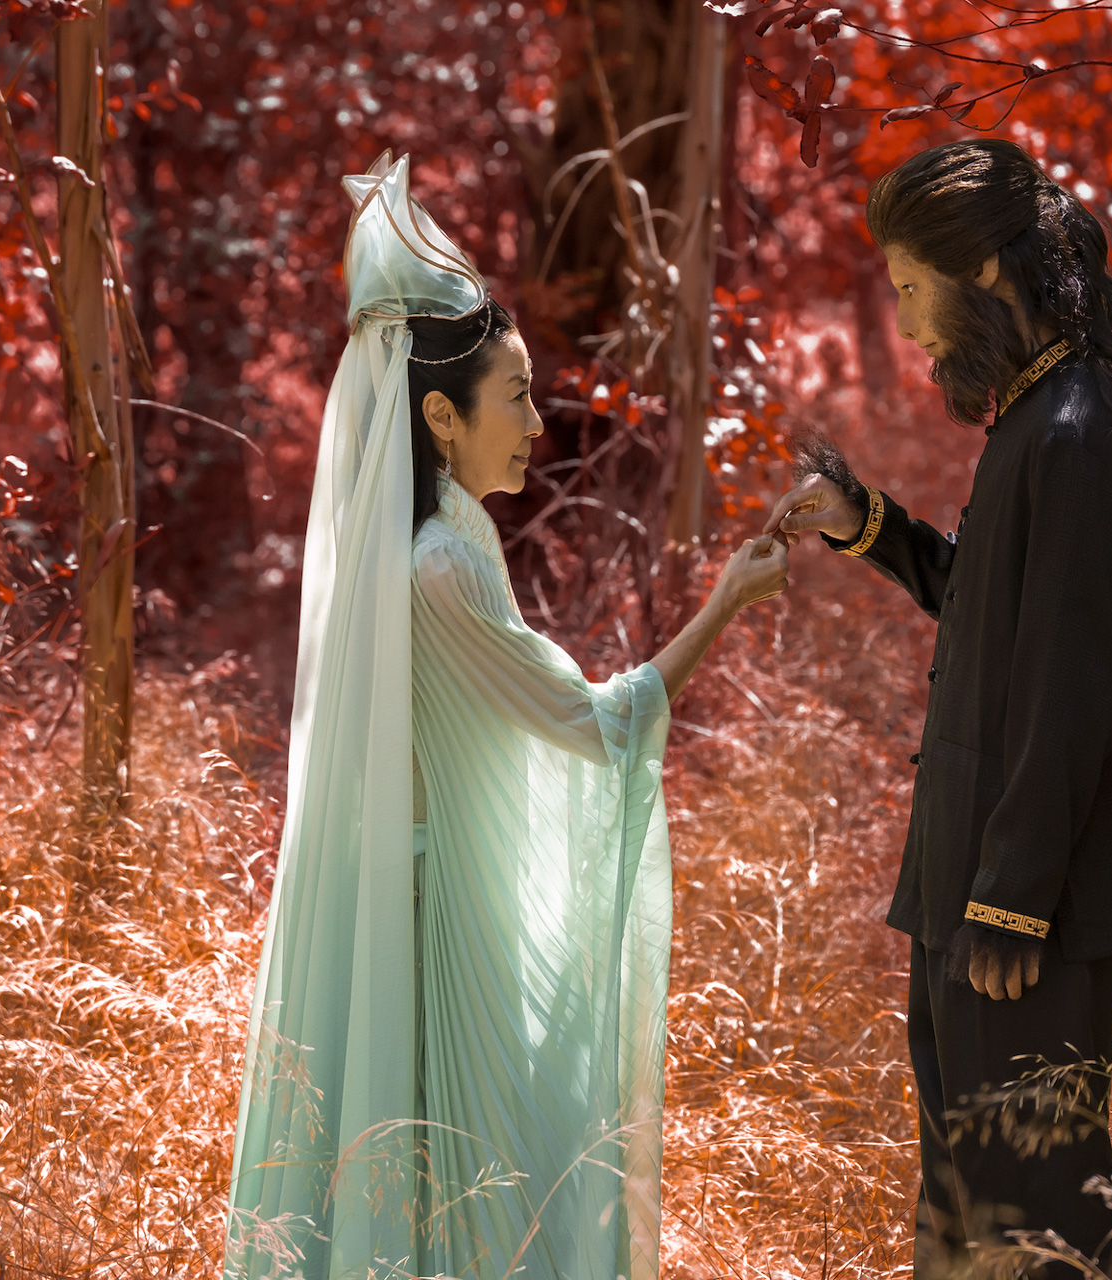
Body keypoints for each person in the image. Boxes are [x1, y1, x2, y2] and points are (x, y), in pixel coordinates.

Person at [223, 151, 789, 1280]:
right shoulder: (441, 564)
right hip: (439, 925)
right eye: (518, 394)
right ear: (439, 414)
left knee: (450, 1204)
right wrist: (727, 598)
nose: (540, 416)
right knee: (478, 1209)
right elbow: (591, 723)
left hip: (431, 891)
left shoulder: (443, 540)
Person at [763, 139, 1112, 1280]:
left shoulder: (1071, 431)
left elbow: (1074, 686)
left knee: (1038, 1207)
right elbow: (997, 614)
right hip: (974, 869)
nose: (907, 324)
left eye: (912, 287)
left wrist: (1012, 900)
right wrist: (869, 526)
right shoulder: (1036, 414)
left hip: (1022, 901)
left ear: (987, 274)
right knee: (966, 1185)